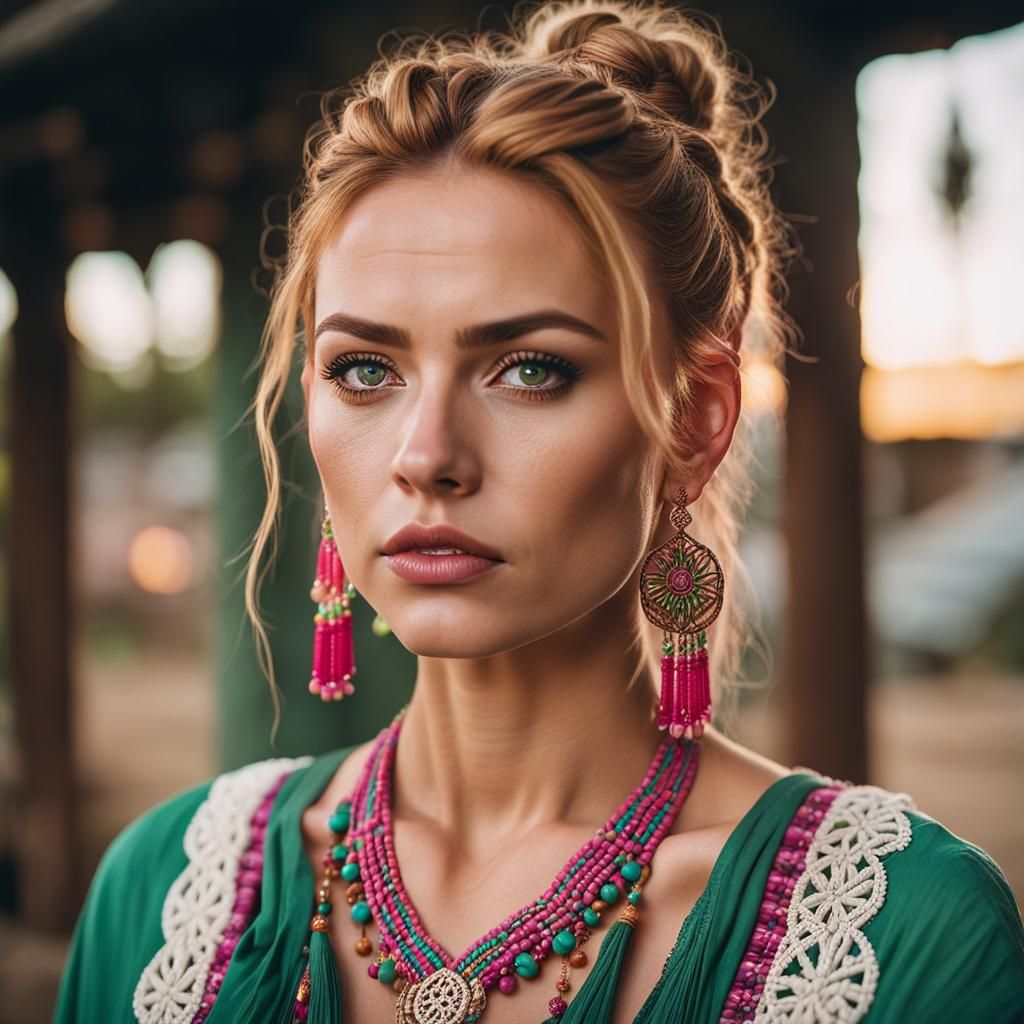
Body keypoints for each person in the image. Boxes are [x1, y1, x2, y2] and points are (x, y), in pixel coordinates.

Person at [54, 1, 1024, 1022]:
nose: (425, 454)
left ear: (692, 421)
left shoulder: (899, 937)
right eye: (365, 368)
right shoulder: (160, 898)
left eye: (528, 368)